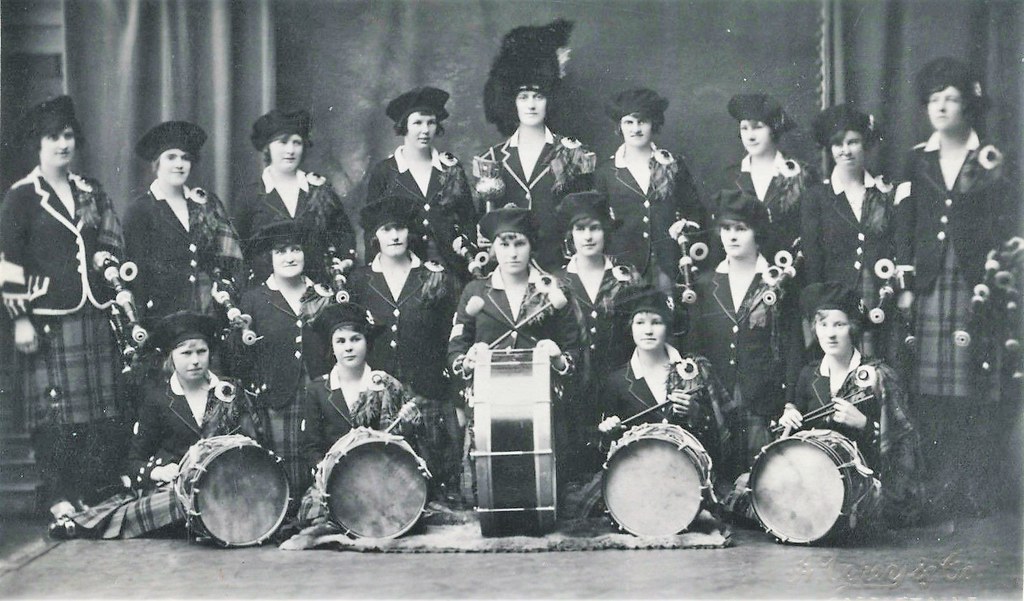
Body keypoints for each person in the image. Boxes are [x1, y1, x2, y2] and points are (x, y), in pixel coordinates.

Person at [894, 57, 1019, 517]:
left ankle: (973, 489)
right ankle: (936, 488)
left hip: (975, 283)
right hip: (930, 283)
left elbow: (1006, 221)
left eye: (951, 98)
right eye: (934, 99)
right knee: (929, 391)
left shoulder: (991, 159)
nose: (942, 107)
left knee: (973, 385)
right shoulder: (916, 159)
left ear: (968, 105)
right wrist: (907, 283)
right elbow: (904, 221)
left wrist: (997, 277)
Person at [0, 96, 130, 520]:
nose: (62, 144)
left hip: (94, 312)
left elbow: (111, 237)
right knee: (53, 416)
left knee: (95, 412)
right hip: (48, 318)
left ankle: (87, 492)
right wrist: (20, 319)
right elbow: (8, 262)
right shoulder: (22, 197)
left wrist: (109, 264)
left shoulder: (90, 190)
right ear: (37, 144)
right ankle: (57, 495)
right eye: (53, 137)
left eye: (68, 135)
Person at [51, 311, 259, 539]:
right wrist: (159, 471)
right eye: (186, 353)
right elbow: (134, 462)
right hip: (177, 491)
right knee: (175, 499)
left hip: (226, 483)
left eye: (202, 351)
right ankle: (81, 525)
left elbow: (254, 445)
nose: (195, 360)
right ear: (171, 357)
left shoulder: (228, 391)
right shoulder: (158, 399)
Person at [447, 206, 582, 501]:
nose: (512, 253)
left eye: (519, 243)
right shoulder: (475, 292)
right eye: (504, 244)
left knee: (541, 493)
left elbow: (574, 349)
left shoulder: (552, 290)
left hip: (541, 408)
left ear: (531, 245)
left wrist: (559, 358)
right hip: (489, 407)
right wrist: (467, 361)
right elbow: (455, 348)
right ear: (493, 248)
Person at [776, 282, 924, 526]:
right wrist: (789, 421)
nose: (830, 334)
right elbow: (794, 441)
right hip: (814, 482)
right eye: (823, 325)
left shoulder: (878, 375)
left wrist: (865, 423)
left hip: (863, 485)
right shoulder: (809, 374)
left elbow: (903, 444)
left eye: (839, 325)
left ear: (852, 328)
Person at [346, 195, 462, 505]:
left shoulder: (434, 276)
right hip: (378, 391)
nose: (395, 236)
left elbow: (450, 335)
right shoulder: (360, 280)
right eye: (386, 230)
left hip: (427, 389)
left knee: (434, 480)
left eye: (400, 228)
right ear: (375, 236)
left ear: (409, 232)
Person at [683, 190, 800, 486]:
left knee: (762, 483)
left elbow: (793, 347)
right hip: (717, 406)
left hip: (763, 402)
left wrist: (790, 401)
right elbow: (695, 348)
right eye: (726, 228)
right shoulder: (706, 284)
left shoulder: (777, 282)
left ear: (756, 232)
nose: (732, 236)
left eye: (741, 228)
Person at [475, 18, 595, 272]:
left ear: (550, 100)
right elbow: (484, 222)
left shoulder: (574, 155)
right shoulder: (492, 158)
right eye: (523, 97)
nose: (531, 105)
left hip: (560, 268)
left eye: (538, 96)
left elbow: (585, 217)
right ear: (510, 102)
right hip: (510, 271)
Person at [234, 220, 332, 504]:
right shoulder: (254, 299)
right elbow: (241, 357)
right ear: (270, 257)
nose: (289, 257)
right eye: (281, 251)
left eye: (295, 250)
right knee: (284, 475)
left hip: (320, 393)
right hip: (278, 397)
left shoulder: (322, 294)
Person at [296, 302, 420, 525]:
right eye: (340, 341)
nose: (348, 347)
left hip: (381, 477)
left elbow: (403, 442)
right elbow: (311, 446)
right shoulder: (318, 390)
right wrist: (325, 470)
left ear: (367, 342)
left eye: (355, 339)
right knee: (318, 519)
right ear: (331, 346)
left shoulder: (385, 384)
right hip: (337, 480)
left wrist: (409, 424)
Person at [552, 191, 641, 474]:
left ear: (605, 231)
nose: (588, 237)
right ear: (571, 234)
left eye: (595, 228)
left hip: (620, 387)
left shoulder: (626, 277)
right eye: (580, 229)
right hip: (572, 390)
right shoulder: (556, 282)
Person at [802, 104, 896, 358]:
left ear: (864, 144)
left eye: (853, 142)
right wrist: (819, 310)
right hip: (836, 303)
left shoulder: (883, 192)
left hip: (879, 298)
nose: (845, 150)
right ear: (829, 148)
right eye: (837, 144)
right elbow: (813, 259)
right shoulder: (816, 197)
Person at [124, 121, 243, 318]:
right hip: (163, 318)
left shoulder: (207, 203)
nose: (179, 164)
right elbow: (136, 278)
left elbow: (231, 260)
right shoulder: (140, 210)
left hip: (209, 314)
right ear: (157, 163)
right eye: (171, 157)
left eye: (185, 158)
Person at [596, 284, 726, 464]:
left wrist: (695, 412)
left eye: (656, 322)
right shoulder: (617, 382)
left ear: (668, 326)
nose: (648, 330)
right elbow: (607, 455)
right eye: (640, 322)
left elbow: (721, 437)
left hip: (689, 471)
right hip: (640, 474)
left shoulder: (694, 370)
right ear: (630, 327)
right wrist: (609, 432)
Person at [594, 88, 708, 292]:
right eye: (629, 122)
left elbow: (694, 210)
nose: (635, 129)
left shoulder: (673, 165)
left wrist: (686, 226)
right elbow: (599, 222)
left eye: (642, 122)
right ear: (620, 126)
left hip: (670, 266)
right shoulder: (606, 172)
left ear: (653, 123)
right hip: (626, 270)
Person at [232, 109, 357, 284]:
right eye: (283, 142)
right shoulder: (249, 196)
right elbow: (238, 249)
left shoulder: (320, 191)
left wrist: (344, 261)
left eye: (296, 143)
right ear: (268, 147)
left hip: (317, 289)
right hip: (267, 292)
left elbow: (344, 235)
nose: (290, 150)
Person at [364, 87, 476, 278]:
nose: (425, 130)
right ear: (404, 126)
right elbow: (371, 229)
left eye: (431, 122)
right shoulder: (385, 171)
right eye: (417, 123)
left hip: (451, 270)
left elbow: (468, 218)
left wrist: (466, 246)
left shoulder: (451, 167)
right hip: (403, 272)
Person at [721, 93, 809, 261]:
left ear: (773, 129)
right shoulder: (730, 177)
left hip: (789, 269)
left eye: (758, 127)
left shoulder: (801, 175)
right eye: (744, 128)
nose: (750, 136)